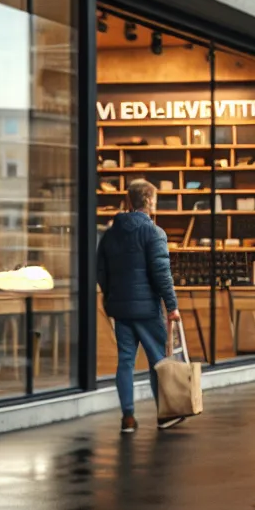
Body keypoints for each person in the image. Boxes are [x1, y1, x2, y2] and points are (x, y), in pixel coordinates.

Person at [96, 179, 185, 433]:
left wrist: (110, 296)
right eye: (154, 200)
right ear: (148, 201)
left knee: (125, 361)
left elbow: (100, 270)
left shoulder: (111, 234)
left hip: (121, 309)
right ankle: (165, 414)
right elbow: (161, 273)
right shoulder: (154, 233)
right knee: (158, 361)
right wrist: (172, 306)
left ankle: (128, 418)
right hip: (147, 310)